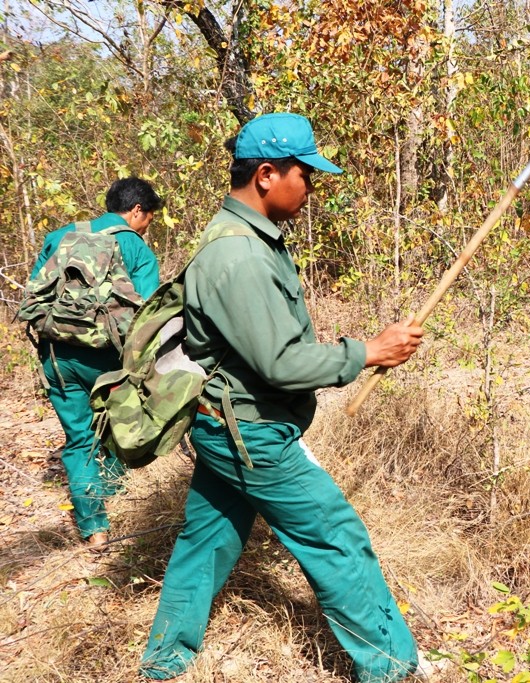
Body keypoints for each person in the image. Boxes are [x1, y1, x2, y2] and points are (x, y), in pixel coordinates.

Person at [139, 113, 426, 682]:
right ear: (267, 175)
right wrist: (366, 351)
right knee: (337, 538)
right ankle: (392, 668)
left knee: (209, 537)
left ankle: (164, 662)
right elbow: (281, 363)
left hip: (225, 425)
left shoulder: (246, 239)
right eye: (306, 174)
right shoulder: (240, 255)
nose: (311, 188)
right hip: (251, 434)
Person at [29, 177, 161, 549]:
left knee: (79, 439)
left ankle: (95, 529)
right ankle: (118, 506)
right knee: (118, 432)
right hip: (110, 359)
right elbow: (148, 316)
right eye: (148, 217)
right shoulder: (135, 247)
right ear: (136, 210)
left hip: (58, 357)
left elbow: (37, 296)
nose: (147, 226)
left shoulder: (59, 237)